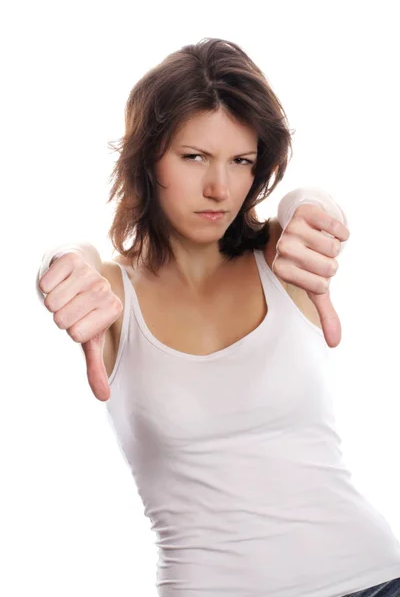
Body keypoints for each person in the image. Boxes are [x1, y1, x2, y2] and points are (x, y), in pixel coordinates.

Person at [38, 38, 400, 596]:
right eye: (194, 157)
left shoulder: (285, 260)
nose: (220, 189)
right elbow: (68, 261)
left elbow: (315, 210)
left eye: (241, 161)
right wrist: (61, 258)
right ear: (147, 157)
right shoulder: (112, 297)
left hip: (376, 578)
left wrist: (314, 203)